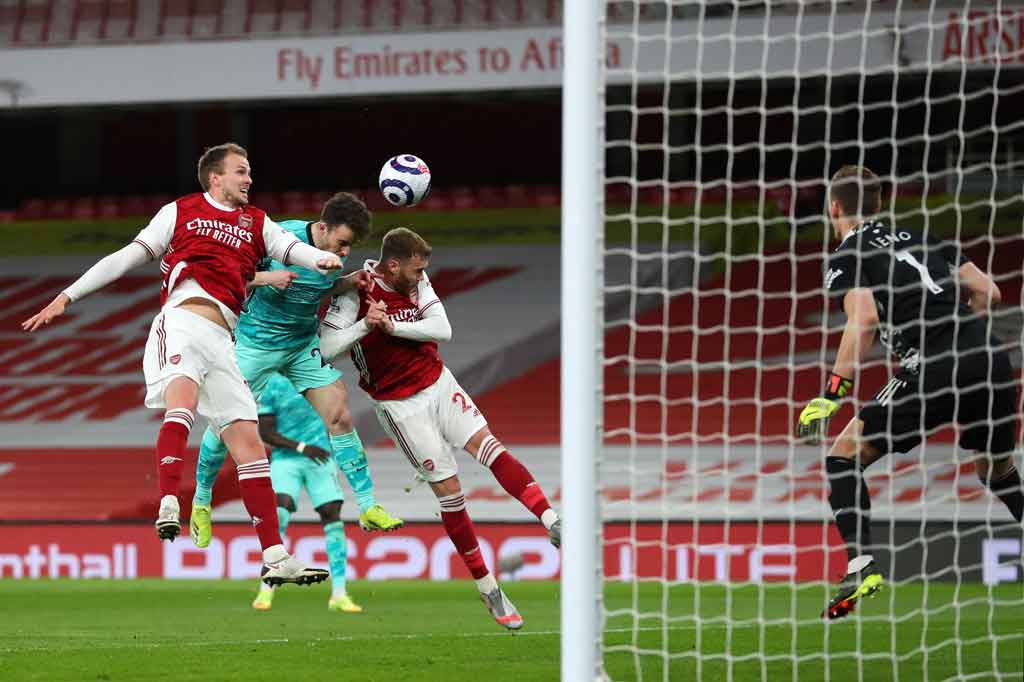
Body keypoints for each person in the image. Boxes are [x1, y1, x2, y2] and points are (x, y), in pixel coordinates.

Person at [22, 142, 338, 586]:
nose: (249, 179)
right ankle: (169, 500)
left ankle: (274, 556)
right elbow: (128, 256)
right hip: (183, 319)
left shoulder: (257, 222)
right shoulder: (180, 211)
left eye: (249, 172)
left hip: (224, 341)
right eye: (241, 172)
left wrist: (318, 258)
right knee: (183, 404)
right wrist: (67, 296)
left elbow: (290, 248)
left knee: (249, 443)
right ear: (216, 178)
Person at [796, 165, 1022, 620]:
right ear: (879, 205)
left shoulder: (847, 255)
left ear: (834, 207)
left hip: (934, 364)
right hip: (992, 360)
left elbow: (863, 321)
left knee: (843, 456)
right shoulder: (921, 236)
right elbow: (989, 292)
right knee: (997, 472)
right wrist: (963, 335)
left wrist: (833, 393)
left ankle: (862, 567)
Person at [318, 227, 562, 631]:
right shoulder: (353, 292)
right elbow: (327, 348)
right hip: (400, 405)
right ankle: (488, 588)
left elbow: (441, 329)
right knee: (450, 492)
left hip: (439, 382)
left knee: (490, 448)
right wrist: (366, 326)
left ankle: (552, 522)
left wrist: (392, 329)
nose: (422, 276)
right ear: (392, 265)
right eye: (416, 270)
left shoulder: (417, 280)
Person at [189, 192, 403, 551]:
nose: (345, 251)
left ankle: (367, 506)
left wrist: (347, 282)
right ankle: (200, 501)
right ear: (322, 228)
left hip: (302, 345)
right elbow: (222, 273)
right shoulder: (277, 237)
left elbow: (314, 287)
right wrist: (267, 278)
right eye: (342, 243)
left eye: (350, 246)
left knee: (340, 416)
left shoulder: (331, 259)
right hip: (255, 346)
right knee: (223, 423)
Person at [247, 372, 362, 613]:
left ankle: (339, 594)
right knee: (279, 512)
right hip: (287, 459)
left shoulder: (319, 376)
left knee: (332, 515)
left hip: (320, 457)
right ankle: (266, 588)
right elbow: (265, 432)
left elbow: (338, 415)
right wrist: (301, 447)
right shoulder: (273, 384)